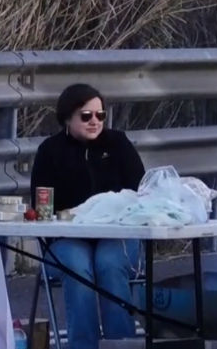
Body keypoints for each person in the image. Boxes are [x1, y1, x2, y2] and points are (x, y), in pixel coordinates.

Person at [29, 83, 146, 349]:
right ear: (67, 118)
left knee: (108, 263)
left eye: (100, 115)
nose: (95, 121)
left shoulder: (118, 144)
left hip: (118, 234)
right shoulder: (50, 151)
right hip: (67, 236)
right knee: (76, 265)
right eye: (86, 116)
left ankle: (122, 344)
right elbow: (41, 203)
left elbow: (142, 192)